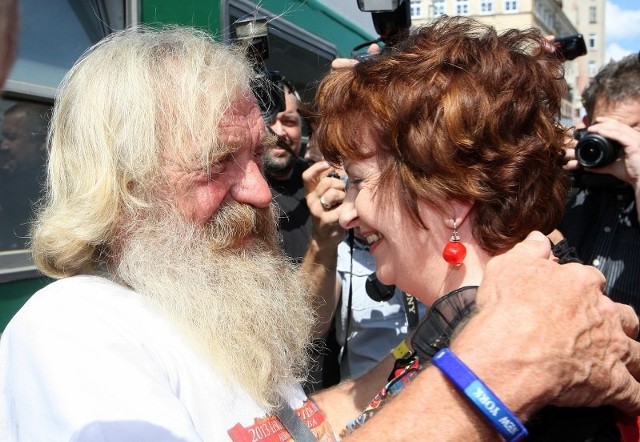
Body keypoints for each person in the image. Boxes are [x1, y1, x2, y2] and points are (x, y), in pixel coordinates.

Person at [0, 24, 639, 442]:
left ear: (450, 196)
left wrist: (466, 341)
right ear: (121, 185)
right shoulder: (70, 328)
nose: (259, 194)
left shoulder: (210, 312)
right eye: (216, 165)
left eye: (256, 156)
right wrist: (497, 367)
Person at [313, 15, 639, 439]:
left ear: (450, 198)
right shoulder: (462, 324)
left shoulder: (547, 380)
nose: (346, 214)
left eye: (358, 180)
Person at [302, 160, 427, 382]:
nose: (351, 211)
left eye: (360, 182)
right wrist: (323, 243)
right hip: (365, 405)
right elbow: (307, 329)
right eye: (349, 184)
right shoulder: (337, 249)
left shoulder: (435, 234)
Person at [557, 53, 640, 313]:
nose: (616, 145)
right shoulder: (574, 175)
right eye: (606, 133)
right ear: (587, 124)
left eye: (630, 133)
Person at [264, 79, 312, 263]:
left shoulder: (318, 180)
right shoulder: (240, 189)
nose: (279, 131)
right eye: (269, 119)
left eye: (289, 121)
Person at [0, 102, 51, 249]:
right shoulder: (10, 177)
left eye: (12, 137)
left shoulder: (47, 186)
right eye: (4, 138)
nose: (4, 146)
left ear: (41, 141)